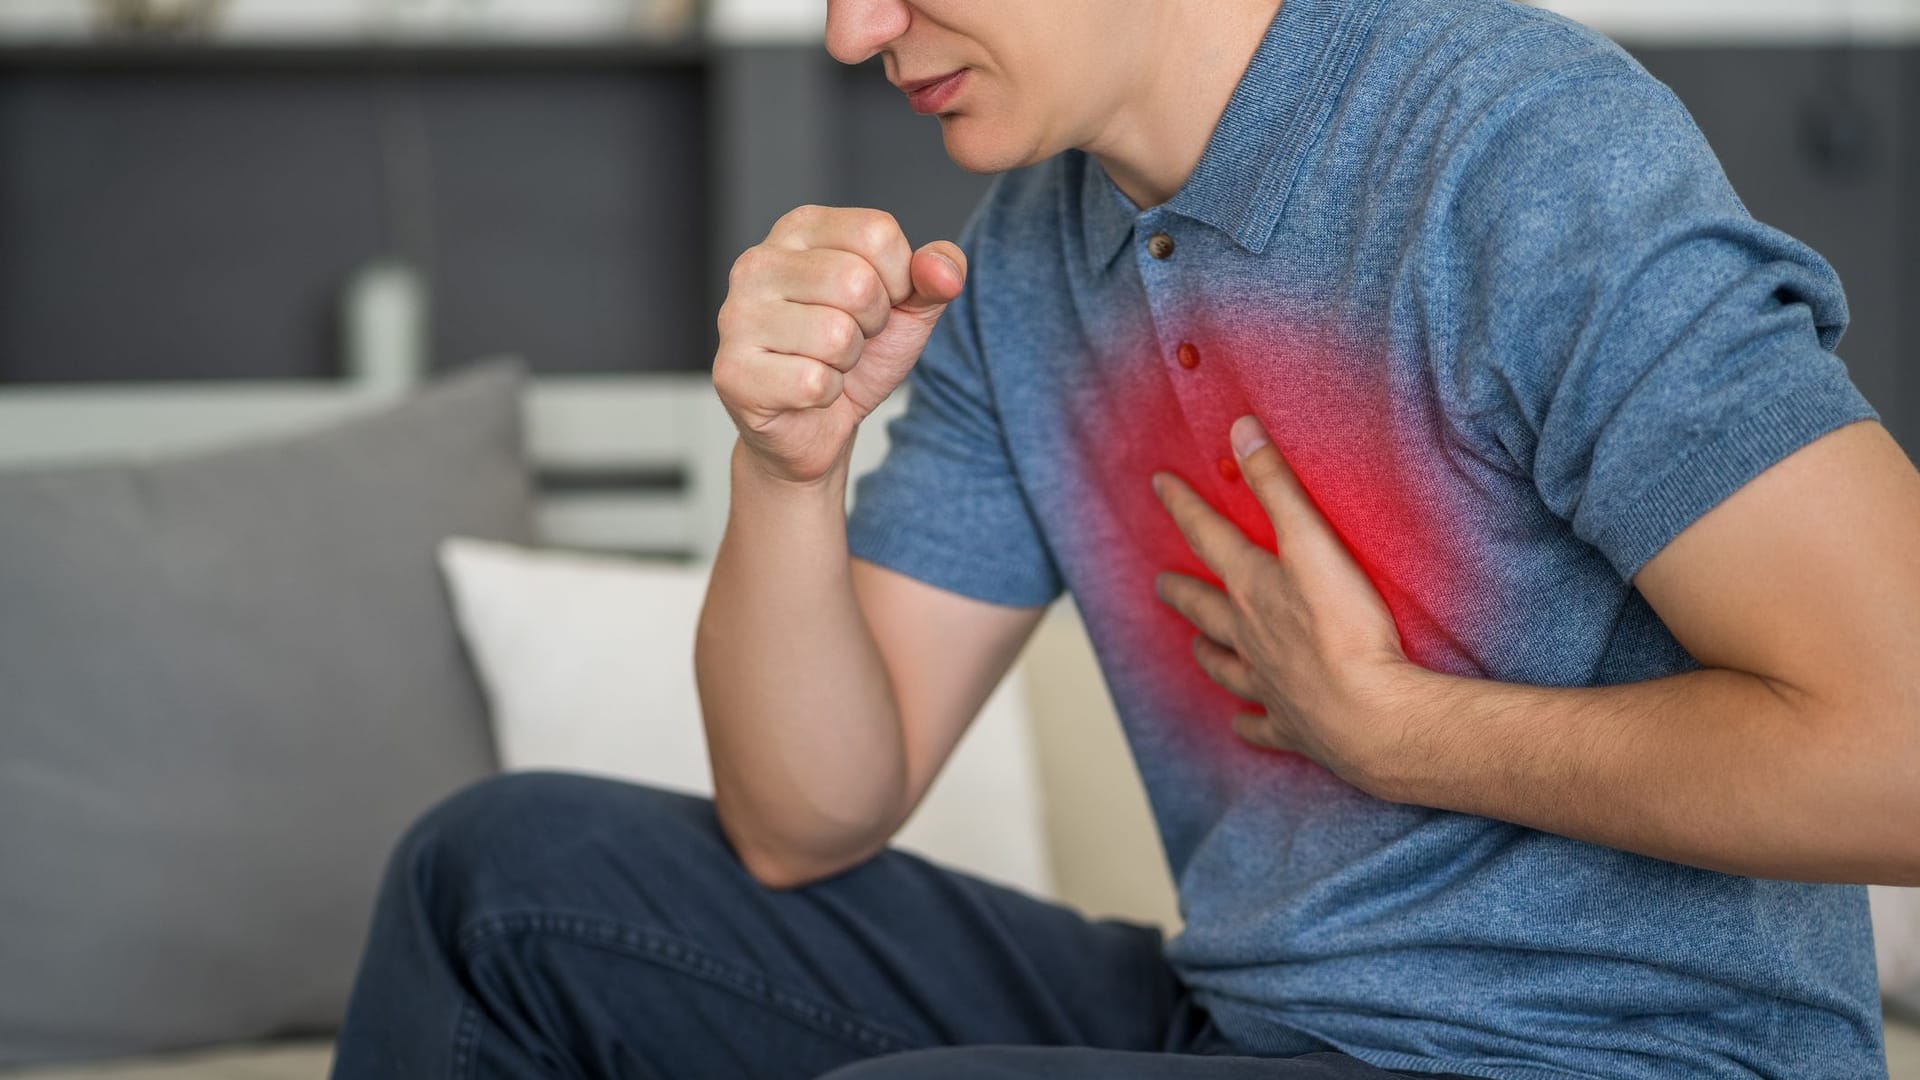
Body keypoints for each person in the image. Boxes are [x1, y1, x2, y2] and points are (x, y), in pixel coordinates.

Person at [330, 0, 1920, 1076]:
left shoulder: (1514, 150)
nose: (852, 32)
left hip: (1615, 1055)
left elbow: (1904, 753)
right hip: (1252, 1022)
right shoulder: (1027, 255)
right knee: (501, 886)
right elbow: (803, 823)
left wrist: (1407, 732)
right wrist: (785, 471)